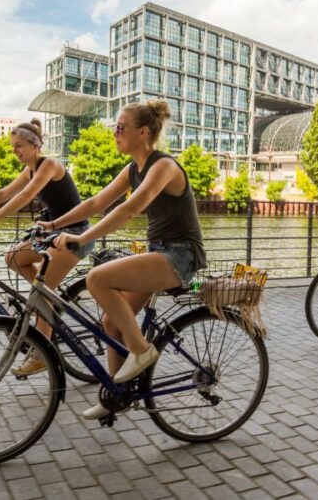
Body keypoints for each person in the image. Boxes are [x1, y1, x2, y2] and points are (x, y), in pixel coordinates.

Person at [40, 100, 206, 420]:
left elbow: (129, 210)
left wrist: (81, 238)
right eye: (114, 128)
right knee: (111, 323)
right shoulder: (133, 169)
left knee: (97, 278)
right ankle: (116, 395)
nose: (115, 133)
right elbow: (96, 202)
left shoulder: (163, 166)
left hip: (181, 254)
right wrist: (54, 225)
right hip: (159, 251)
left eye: (120, 128)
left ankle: (141, 351)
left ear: (142, 132)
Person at [0, 119, 94, 375]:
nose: (15, 151)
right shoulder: (30, 170)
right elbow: (5, 193)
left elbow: (25, 195)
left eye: (19, 145)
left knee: (41, 294)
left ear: (35, 145)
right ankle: (47, 301)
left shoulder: (50, 165)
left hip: (75, 235)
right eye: (13, 146)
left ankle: (40, 354)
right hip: (54, 234)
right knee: (13, 257)